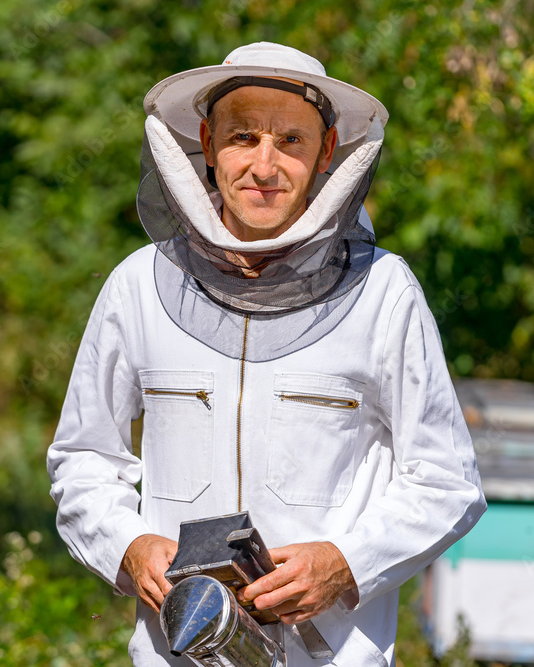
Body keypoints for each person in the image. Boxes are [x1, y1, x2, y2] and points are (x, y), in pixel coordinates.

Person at [47, 42, 486, 666]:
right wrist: (127, 544)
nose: (265, 163)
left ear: (327, 152)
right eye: (243, 136)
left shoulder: (385, 292)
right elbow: (83, 458)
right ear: (206, 140)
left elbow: (447, 481)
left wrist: (345, 564)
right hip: (179, 652)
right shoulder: (137, 286)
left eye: (291, 140)